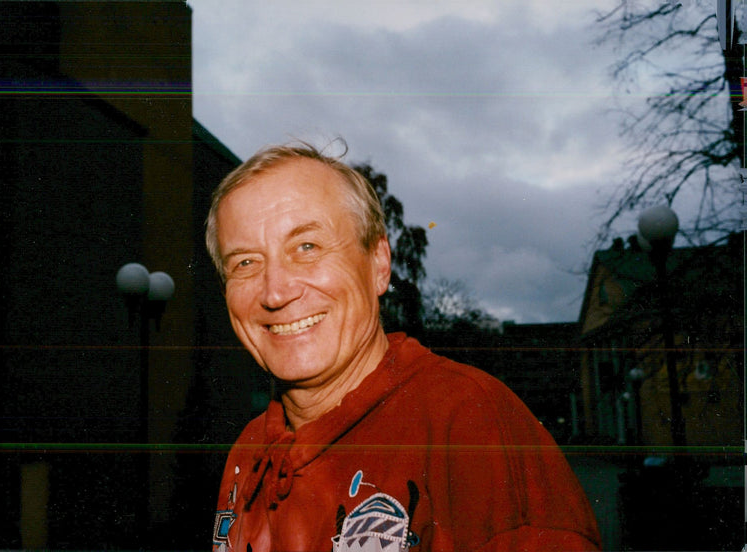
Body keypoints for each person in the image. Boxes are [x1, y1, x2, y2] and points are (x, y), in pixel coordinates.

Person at [205, 142, 601, 552]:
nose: (274, 291)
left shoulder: (468, 423)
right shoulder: (249, 449)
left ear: (379, 263)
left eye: (307, 247)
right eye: (245, 263)